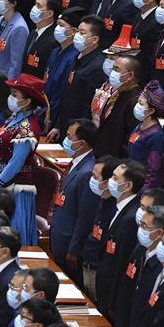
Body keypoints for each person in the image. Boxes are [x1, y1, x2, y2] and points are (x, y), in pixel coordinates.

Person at [0, 73, 44, 245]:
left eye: (15, 95)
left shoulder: (28, 128)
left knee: (12, 234)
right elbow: (0, 152)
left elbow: (16, 164)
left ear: (26, 101)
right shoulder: (14, 118)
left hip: (17, 188)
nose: (10, 97)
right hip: (3, 182)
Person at [49, 119, 97, 279]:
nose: (65, 139)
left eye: (69, 136)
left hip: (70, 247)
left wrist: (74, 250)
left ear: (82, 143)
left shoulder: (87, 172)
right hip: (60, 239)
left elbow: (86, 216)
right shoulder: (77, 164)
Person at [95, 160, 143, 315]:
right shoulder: (116, 205)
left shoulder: (131, 217)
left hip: (112, 291)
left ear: (128, 186)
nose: (110, 181)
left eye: (115, 178)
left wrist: (113, 303)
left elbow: (122, 261)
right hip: (104, 281)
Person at [92, 54, 142, 158]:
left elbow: (129, 139)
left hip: (114, 161)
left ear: (130, 75)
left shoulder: (135, 102)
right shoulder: (120, 93)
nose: (112, 72)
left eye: (116, 69)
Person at [127, 80, 164, 190]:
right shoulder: (139, 126)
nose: (136, 106)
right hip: (131, 179)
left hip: (143, 188)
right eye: (138, 102)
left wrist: (140, 195)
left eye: (141, 104)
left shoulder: (156, 136)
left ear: (150, 110)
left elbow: (152, 172)